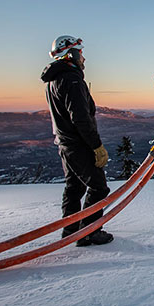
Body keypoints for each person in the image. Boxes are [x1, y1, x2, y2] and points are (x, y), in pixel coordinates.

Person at [41, 35, 114, 246]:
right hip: (78, 144)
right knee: (99, 188)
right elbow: (81, 118)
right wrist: (96, 146)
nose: (84, 59)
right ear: (70, 54)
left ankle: (71, 229)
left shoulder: (55, 79)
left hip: (65, 144)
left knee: (74, 187)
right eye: (80, 53)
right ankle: (90, 231)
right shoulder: (71, 79)